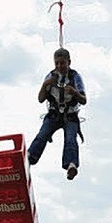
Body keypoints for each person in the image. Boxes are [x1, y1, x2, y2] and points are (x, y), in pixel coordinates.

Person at [27, 47, 87, 181]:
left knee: (71, 139)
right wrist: (45, 85)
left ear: (69, 62)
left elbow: (84, 100)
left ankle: (71, 165)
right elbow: (41, 99)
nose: (59, 66)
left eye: (62, 63)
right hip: (54, 114)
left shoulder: (75, 77)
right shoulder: (50, 76)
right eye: (57, 63)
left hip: (70, 115)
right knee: (42, 135)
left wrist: (75, 93)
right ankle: (30, 158)